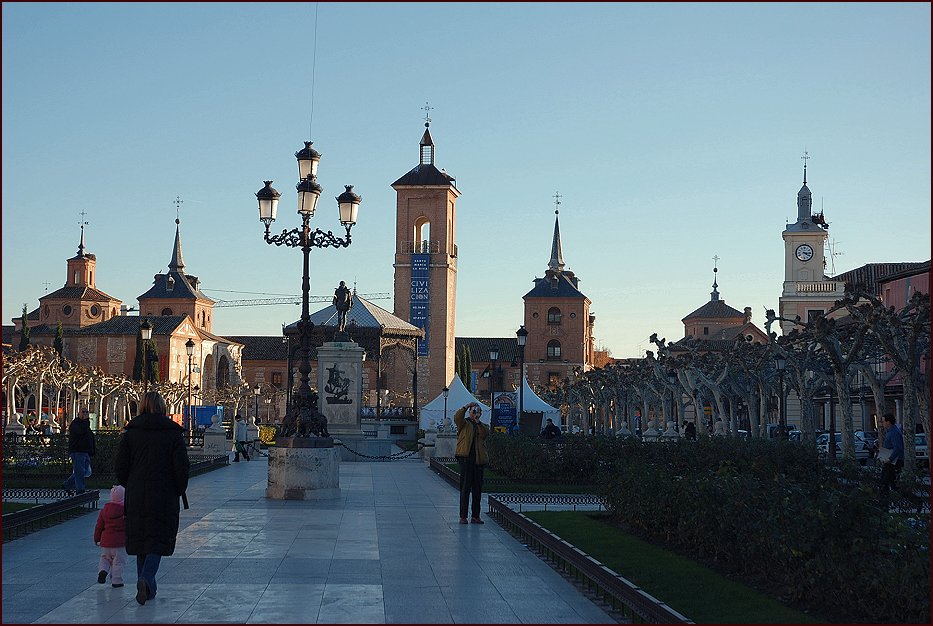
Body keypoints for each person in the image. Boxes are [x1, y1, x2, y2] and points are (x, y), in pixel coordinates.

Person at [115, 391, 189, 606]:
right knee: (157, 539)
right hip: (164, 493)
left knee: (140, 539)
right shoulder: (172, 433)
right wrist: (178, 488)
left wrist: (130, 483)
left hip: (137, 492)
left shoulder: (131, 433)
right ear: (163, 406)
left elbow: (120, 466)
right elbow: (181, 467)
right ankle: (146, 579)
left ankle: (147, 587)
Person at [454, 401, 489, 525]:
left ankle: (476, 516)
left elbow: (485, 434)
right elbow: (457, 417)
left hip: (478, 460)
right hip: (466, 459)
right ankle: (463, 516)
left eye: (477, 412)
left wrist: (478, 421)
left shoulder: (483, 425)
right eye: (473, 411)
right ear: (470, 412)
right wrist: (466, 406)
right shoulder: (464, 424)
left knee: (477, 490)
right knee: (465, 488)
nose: (475, 413)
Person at [94, 485, 127, 588]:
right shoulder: (125, 512)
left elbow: (99, 526)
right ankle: (116, 581)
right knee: (118, 562)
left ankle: (102, 571)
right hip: (119, 543)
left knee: (105, 559)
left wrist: (97, 538)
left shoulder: (104, 510)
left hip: (106, 542)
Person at [63, 409, 95, 494]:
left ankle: (68, 484)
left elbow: (89, 437)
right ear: (78, 414)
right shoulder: (76, 423)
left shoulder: (86, 425)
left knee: (86, 471)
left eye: (86, 412)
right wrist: (86, 421)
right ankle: (80, 489)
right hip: (78, 450)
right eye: (83, 412)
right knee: (80, 471)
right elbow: (81, 432)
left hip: (85, 451)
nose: (84, 414)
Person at [878, 413, 904, 508]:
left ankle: (883, 506)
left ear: (888, 422)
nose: (882, 423)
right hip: (891, 461)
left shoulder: (894, 432)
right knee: (894, 485)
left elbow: (898, 448)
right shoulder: (891, 432)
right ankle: (884, 506)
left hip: (893, 462)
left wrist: (890, 459)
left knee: (883, 483)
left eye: (883, 421)